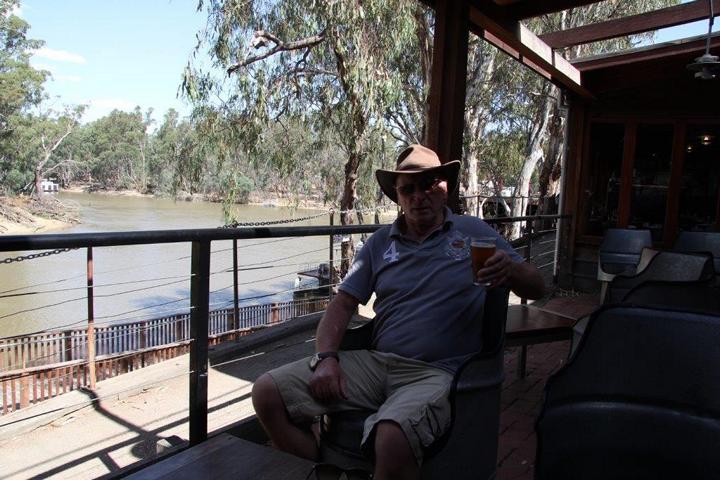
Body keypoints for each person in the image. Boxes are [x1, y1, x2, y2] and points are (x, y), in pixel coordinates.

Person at [252, 144, 545, 480]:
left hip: (435, 372)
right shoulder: (379, 243)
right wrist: (326, 358)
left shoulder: (473, 232)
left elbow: (538, 287)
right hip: (377, 363)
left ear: (445, 188)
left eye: (429, 185)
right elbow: (343, 304)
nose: (419, 196)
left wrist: (512, 269)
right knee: (267, 393)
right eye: (408, 189)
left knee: (392, 438)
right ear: (398, 197)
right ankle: (320, 467)